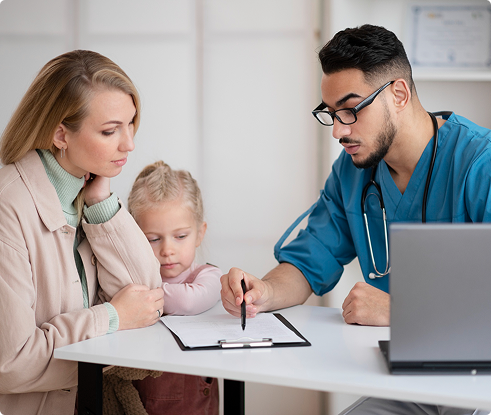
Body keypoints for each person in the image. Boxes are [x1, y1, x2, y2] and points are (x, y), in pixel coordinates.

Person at [220, 25, 491, 415]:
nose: (339, 131)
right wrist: (262, 292)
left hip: (480, 376)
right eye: (331, 114)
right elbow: (308, 262)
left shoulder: (478, 165)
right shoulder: (352, 173)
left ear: (399, 93)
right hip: (409, 379)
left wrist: (401, 310)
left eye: (351, 109)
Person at [0, 50, 164, 415]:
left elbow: (148, 300)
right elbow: (9, 365)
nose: (129, 144)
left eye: (131, 124)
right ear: (61, 133)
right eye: (110, 131)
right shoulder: (7, 208)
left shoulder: (86, 196)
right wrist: (111, 318)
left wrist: (102, 203)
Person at [128, 160, 221, 415]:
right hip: (140, 398)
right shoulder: (132, 277)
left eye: (180, 236)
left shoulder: (208, 276)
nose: (167, 250)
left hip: (191, 402)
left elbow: (189, 301)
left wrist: (141, 297)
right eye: (153, 239)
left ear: (200, 233)